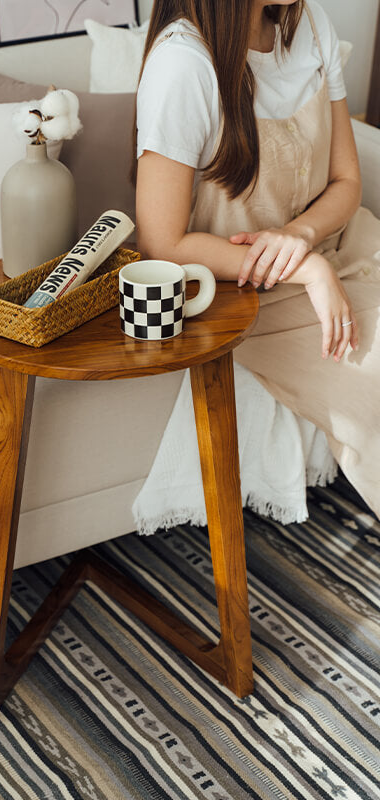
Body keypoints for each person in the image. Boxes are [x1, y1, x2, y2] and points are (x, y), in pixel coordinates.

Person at [135, 0, 380, 518]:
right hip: (245, 292)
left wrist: (298, 236)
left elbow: (346, 181)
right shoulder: (183, 64)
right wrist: (305, 266)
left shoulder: (310, 24)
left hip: (339, 242)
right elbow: (162, 243)